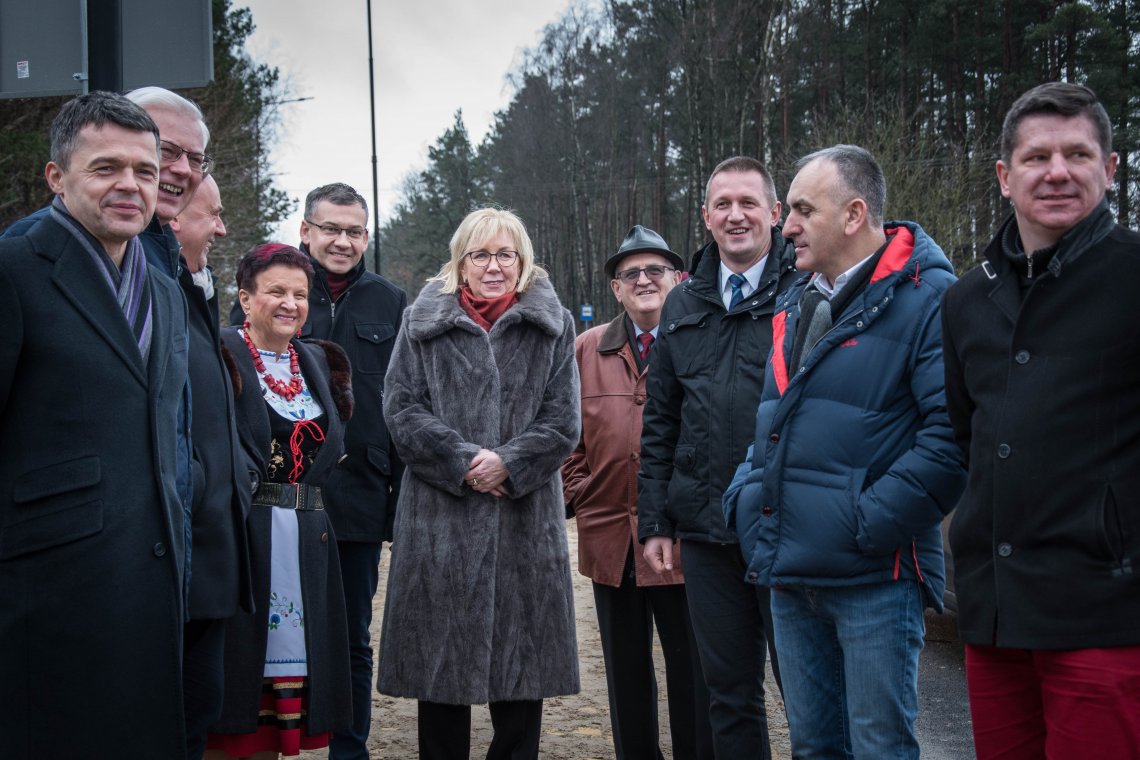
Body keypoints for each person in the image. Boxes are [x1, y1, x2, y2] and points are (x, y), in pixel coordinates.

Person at [724, 144, 966, 758]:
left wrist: (865, 522)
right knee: (813, 749)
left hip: (874, 578)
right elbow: (772, 424)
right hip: (791, 571)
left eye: (803, 209)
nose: (788, 225)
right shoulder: (796, 298)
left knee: (879, 748)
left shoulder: (930, 298)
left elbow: (952, 438)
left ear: (855, 214)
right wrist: (747, 500)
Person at [941, 82, 1140, 758]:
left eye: (1078, 153)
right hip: (995, 615)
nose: (1057, 171)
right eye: (1036, 157)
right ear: (1004, 176)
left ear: (1110, 169)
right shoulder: (967, 301)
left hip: (1105, 614)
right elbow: (969, 434)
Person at [0, 92, 189, 757]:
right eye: (106, 167)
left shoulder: (165, 289)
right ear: (58, 176)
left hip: (151, 585)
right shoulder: (15, 266)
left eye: (144, 170)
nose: (130, 186)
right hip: (46, 599)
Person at [378, 208, 580, 760]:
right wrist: (466, 460)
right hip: (440, 519)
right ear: (460, 264)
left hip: (523, 522)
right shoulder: (421, 323)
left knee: (522, 677)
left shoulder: (554, 325)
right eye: (481, 255)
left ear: (523, 262)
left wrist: (510, 462)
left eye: (505, 254)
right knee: (440, 676)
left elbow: (564, 422)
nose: (494, 266)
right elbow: (400, 409)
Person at [228, 182, 405, 760]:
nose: (342, 240)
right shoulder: (268, 292)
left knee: (348, 635)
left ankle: (347, 748)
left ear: (366, 237)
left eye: (354, 230)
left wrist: (397, 501)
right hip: (266, 500)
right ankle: (256, 737)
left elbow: (402, 403)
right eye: (330, 228)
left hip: (354, 498)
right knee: (260, 629)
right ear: (306, 231)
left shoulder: (392, 302)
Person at [638, 156, 796, 759]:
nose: (736, 216)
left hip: (785, 528)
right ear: (706, 217)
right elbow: (662, 422)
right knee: (728, 695)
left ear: (775, 214)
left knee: (803, 690)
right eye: (723, 205)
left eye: (749, 203)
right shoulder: (682, 305)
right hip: (706, 534)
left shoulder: (805, 291)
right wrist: (655, 520)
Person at [563, 225, 712, 760]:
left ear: (678, 279)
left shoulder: (701, 338)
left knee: (692, 670)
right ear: (616, 289)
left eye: (656, 270)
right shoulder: (585, 348)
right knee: (626, 672)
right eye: (631, 274)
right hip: (611, 537)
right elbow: (563, 436)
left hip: (683, 539)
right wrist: (583, 492)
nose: (644, 280)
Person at [206, 243, 353, 759]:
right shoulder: (219, 353)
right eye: (275, 292)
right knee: (233, 696)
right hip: (244, 538)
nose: (290, 303)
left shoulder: (319, 360)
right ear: (245, 299)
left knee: (282, 712)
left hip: (307, 539)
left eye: (300, 293)